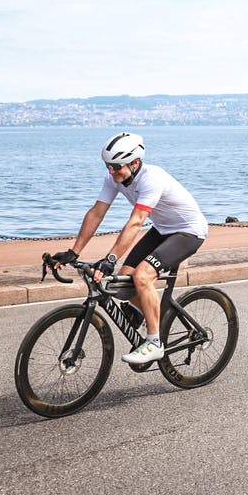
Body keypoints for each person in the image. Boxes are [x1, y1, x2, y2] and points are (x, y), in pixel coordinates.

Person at [49, 132, 209, 364]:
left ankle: (154, 343)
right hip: (162, 229)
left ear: (135, 163)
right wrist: (74, 252)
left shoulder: (151, 178)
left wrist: (110, 259)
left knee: (142, 276)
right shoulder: (113, 178)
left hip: (189, 231)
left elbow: (136, 222)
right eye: (107, 166)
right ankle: (154, 314)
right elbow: (97, 213)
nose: (111, 171)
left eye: (116, 166)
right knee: (123, 282)